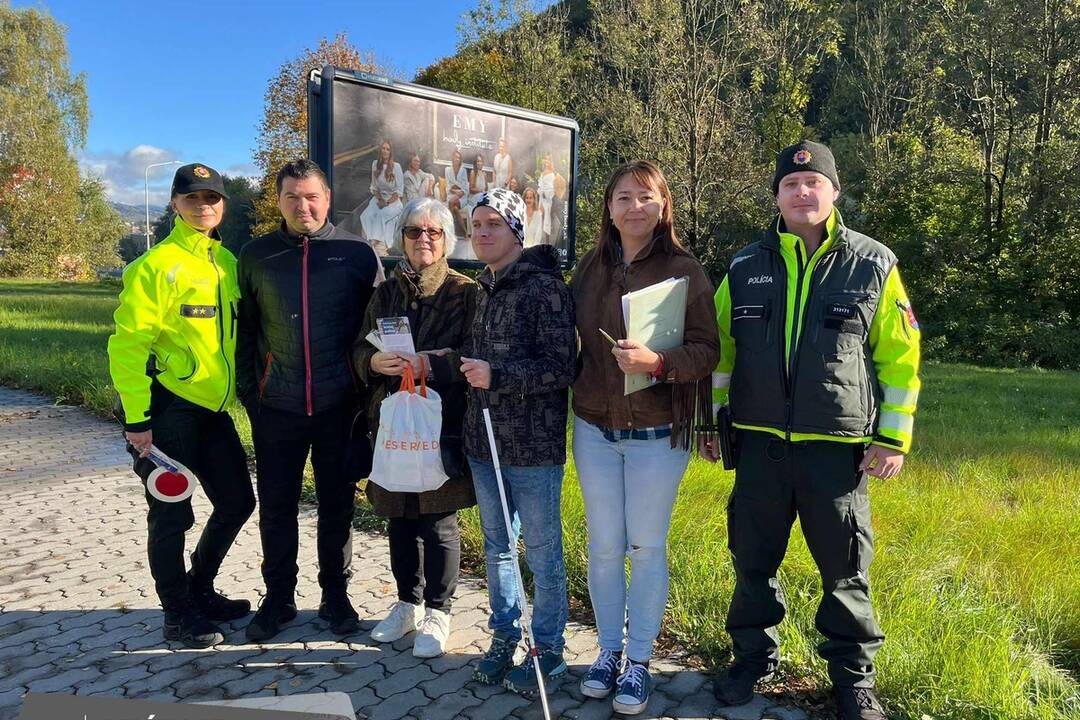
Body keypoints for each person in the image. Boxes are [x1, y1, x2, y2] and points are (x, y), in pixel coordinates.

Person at [705, 141, 921, 720]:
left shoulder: (873, 263)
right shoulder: (744, 267)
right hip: (759, 446)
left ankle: (853, 680)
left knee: (845, 570)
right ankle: (751, 659)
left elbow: (899, 357)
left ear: (834, 191)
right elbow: (721, 352)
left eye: (813, 183)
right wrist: (712, 421)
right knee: (752, 563)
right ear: (776, 196)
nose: (802, 192)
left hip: (837, 451)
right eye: (791, 185)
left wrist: (892, 437)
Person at [570, 161, 720, 714]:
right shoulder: (589, 268)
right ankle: (608, 652)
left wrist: (658, 362)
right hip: (593, 428)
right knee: (605, 546)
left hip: (657, 433)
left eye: (646, 196)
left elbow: (708, 351)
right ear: (609, 208)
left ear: (663, 205)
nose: (635, 207)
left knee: (647, 546)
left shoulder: (685, 270)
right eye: (624, 197)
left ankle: (638, 661)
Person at [107, 163, 255, 648]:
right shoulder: (155, 266)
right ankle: (176, 613)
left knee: (237, 501)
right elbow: (127, 347)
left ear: (223, 205)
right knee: (171, 514)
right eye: (192, 198)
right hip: (168, 409)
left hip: (213, 410)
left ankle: (199, 588)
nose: (203, 206)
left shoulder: (227, 263)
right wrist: (137, 419)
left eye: (211, 198)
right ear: (175, 204)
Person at [236, 159, 383, 642]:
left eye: (311, 196)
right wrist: (251, 395)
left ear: (327, 198)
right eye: (292, 197)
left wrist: (364, 395)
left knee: (337, 506)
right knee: (276, 507)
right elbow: (246, 332)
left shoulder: (357, 253)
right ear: (279, 201)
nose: (303, 206)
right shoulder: (255, 256)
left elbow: (376, 330)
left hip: (339, 406)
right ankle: (278, 598)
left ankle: (335, 596)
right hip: (276, 406)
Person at [460, 188, 576, 697]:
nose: (483, 233)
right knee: (498, 548)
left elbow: (562, 367)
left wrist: (498, 375)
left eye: (494, 224)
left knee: (543, 553)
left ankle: (549, 649)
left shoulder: (546, 288)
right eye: (477, 225)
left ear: (516, 231)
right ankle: (504, 635)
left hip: (532, 448)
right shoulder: (483, 287)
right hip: (483, 443)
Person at [352, 197, 478, 658]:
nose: (423, 239)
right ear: (401, 238)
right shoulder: (385, 293)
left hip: (442, 424)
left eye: (433, 232)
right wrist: (373, 362)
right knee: (399, 516)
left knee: (438, 519)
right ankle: (407, 603)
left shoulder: (465, 292)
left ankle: (439, 611)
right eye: (413, 231)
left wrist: (433, 364)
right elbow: (359, 348)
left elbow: (475, 354)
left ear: (446, 240)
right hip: (392, 422)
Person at [360, 139, 404, 255]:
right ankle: (367, 240)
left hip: (393, 201)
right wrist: (380, 200)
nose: (385, 151)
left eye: (388, 149)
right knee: (366, 215)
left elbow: (399, 191)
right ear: (380, 150)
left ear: (391, 152)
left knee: (381, 215)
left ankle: (373, 243)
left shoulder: (396, 167)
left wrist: (387, 203)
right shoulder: (375, 164)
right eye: (383, 148)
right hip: (379, 197)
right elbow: (374, 187)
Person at [443, 149, 470, 232]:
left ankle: (449, 228)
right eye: (455, 157)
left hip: (462, 195)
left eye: (459, 158)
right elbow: (448, 185)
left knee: (451, 202)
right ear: (452, 158)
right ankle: (465, 232)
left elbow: (465, 187)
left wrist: (458, 190)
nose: (457, 159)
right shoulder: (447, 170)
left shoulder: (463, 170)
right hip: (452, 194)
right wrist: (455, 190)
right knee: (455, 208)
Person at [464, 152, 489, 234]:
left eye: (481, 161)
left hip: (482, 195)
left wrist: (485, 192)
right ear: (475, 163)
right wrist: (481, 191)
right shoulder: (473, 172)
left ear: (483, 163)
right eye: (478, 161)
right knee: (481, 200)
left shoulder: (484, 174)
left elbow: (486, 188)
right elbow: (471, 189)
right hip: (474, 196)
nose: (479, 163)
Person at [537, 153, 557, 244]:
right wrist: (540, 192)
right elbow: (540, 185)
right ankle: (539, 241)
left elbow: (552, 189)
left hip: (547, 200)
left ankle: (547, 243)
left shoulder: (552, 174)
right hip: (541, 199)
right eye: (546, 159)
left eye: (549, 159)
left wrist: (545, 194)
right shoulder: (543, 172)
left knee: (546, 220)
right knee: (539, 219)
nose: (547, 161)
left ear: (551, 161)